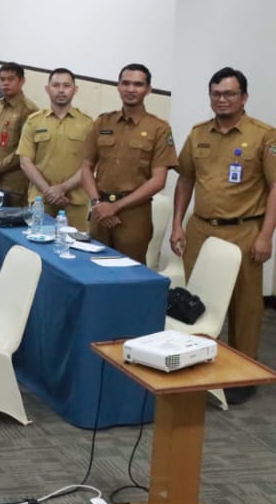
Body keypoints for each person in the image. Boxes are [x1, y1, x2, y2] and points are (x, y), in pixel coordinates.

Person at [169, 67, 276, 401]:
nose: (222, 99)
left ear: (244, 97)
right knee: (199, 300)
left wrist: (266, 235)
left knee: (245, 307)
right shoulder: (199, 133)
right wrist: (177, 224)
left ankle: (242, 375)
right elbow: (185, 179)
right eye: (216, 93)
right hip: (201, 228)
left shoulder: (264, 136)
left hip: (244, 230)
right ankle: (199, 365)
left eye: (229, 93)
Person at [80, 63, 177, 264]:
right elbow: (86, 167)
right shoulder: (103, 122)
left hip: (133, 216)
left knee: (129, 274)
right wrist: (98, 204)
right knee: (94, 270)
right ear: (118, 86)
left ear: (148, 90)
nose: (131, 89)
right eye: (125, 83)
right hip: (100, 212)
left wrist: (115, 207)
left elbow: (159, 180)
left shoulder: (158, 128)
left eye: (138, 84)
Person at [17, 68, 94, 225]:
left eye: (66, 86)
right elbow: (25, 162)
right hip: (40, 201)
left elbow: (91, 164)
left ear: (75, 89)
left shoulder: (87, 124)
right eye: (56, 85)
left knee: (74, 246)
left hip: (74, 203)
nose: (61, 90)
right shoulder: (34, 121)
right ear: (47, 89)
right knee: (38, 246)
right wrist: (49, 191)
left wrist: (63, 188)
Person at [0, 63, 39, 207]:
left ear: (22, 81)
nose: (5, 83)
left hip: (13, 185)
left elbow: (23, 151)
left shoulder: (28, 110)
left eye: (10, 79)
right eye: (2, 79)